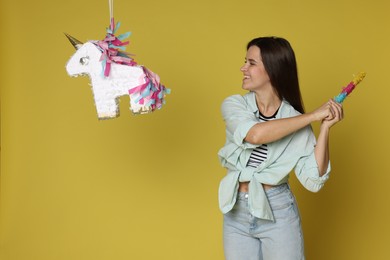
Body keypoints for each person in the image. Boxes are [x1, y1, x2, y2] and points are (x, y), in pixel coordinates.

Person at [218, 36, 343, 260]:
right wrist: (313, 116)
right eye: (245, 61)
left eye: (251, 63)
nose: (243, 68)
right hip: (236, 210)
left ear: (273, 70)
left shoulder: (297, 121)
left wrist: (324, 128)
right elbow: (254, 134)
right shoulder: (234, 104)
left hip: (278, 210)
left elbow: (313, 179)